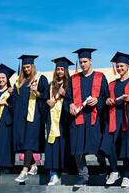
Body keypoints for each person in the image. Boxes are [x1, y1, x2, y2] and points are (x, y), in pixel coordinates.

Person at [63, 48, 109, 187]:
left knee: (98, 148)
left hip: (95, 119)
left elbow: (106, 97)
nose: (82, 64)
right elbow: (68, 98)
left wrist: (98, 101)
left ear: (91, 61)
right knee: (78, 150)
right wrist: (70, 104)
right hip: (79, 119)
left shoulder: (100, 77)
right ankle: (83, 176)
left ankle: (103, 169)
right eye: (81, 62)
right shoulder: (74, 79)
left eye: (85, 61)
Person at [100, 52, 129, 187]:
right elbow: (105, 99)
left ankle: (127, 176)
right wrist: (107, 101)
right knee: (107, 145)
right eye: (118, 66)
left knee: (127, 149)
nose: (119, 68)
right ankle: (114, 170)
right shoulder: (112, 84)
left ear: (127, 66)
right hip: (114, 118)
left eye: (122, 66)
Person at [12, 55, 49, 183]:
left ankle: (24, 170)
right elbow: (15, 101)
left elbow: (46, 96)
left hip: (34, 116)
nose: (26, 69)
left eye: (28, 66)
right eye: (24, 67)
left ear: (32, 66)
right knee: (23, 142)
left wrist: (36, 92)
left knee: (28, 141)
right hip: (20, 118)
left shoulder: (40, 78)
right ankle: (33, 165)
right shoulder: (19, 82)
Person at [44, 57, 74, 185]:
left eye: (62, 69)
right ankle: (54, 173)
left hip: (66, 120)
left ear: (66, 70)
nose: (59, 71)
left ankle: (66, 170)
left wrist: (65, 94)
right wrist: (47, 102)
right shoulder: (51, 85)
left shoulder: (71, 84)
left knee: (65, 144)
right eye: (58, 69)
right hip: (52, 120)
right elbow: (43, 101)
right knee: (53, 144)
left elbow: (74, 99)